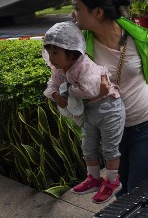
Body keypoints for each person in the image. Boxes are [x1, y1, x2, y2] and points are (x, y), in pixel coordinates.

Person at [71, 0, 148, 197]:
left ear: (98, 12)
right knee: (121, 191)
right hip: (111, 134)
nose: (73, 15)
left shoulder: (137, 38)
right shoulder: (79, 48)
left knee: (138, 189)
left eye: (77, 8)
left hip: (143, 126)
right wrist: (95, 94)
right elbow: (70, 85)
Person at [42, 21, 125, 203]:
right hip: (90, 112)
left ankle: (112, 181)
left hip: (109, 109)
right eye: (49, 52)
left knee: (110, 148)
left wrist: (67, 91)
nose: (52, 57)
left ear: (71, 51)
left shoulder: (84, 66)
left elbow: (91, 90)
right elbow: (52, 85)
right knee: (88, 147)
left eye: (56, 52)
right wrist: (56, 94)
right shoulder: (60, 69)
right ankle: (94, 178)